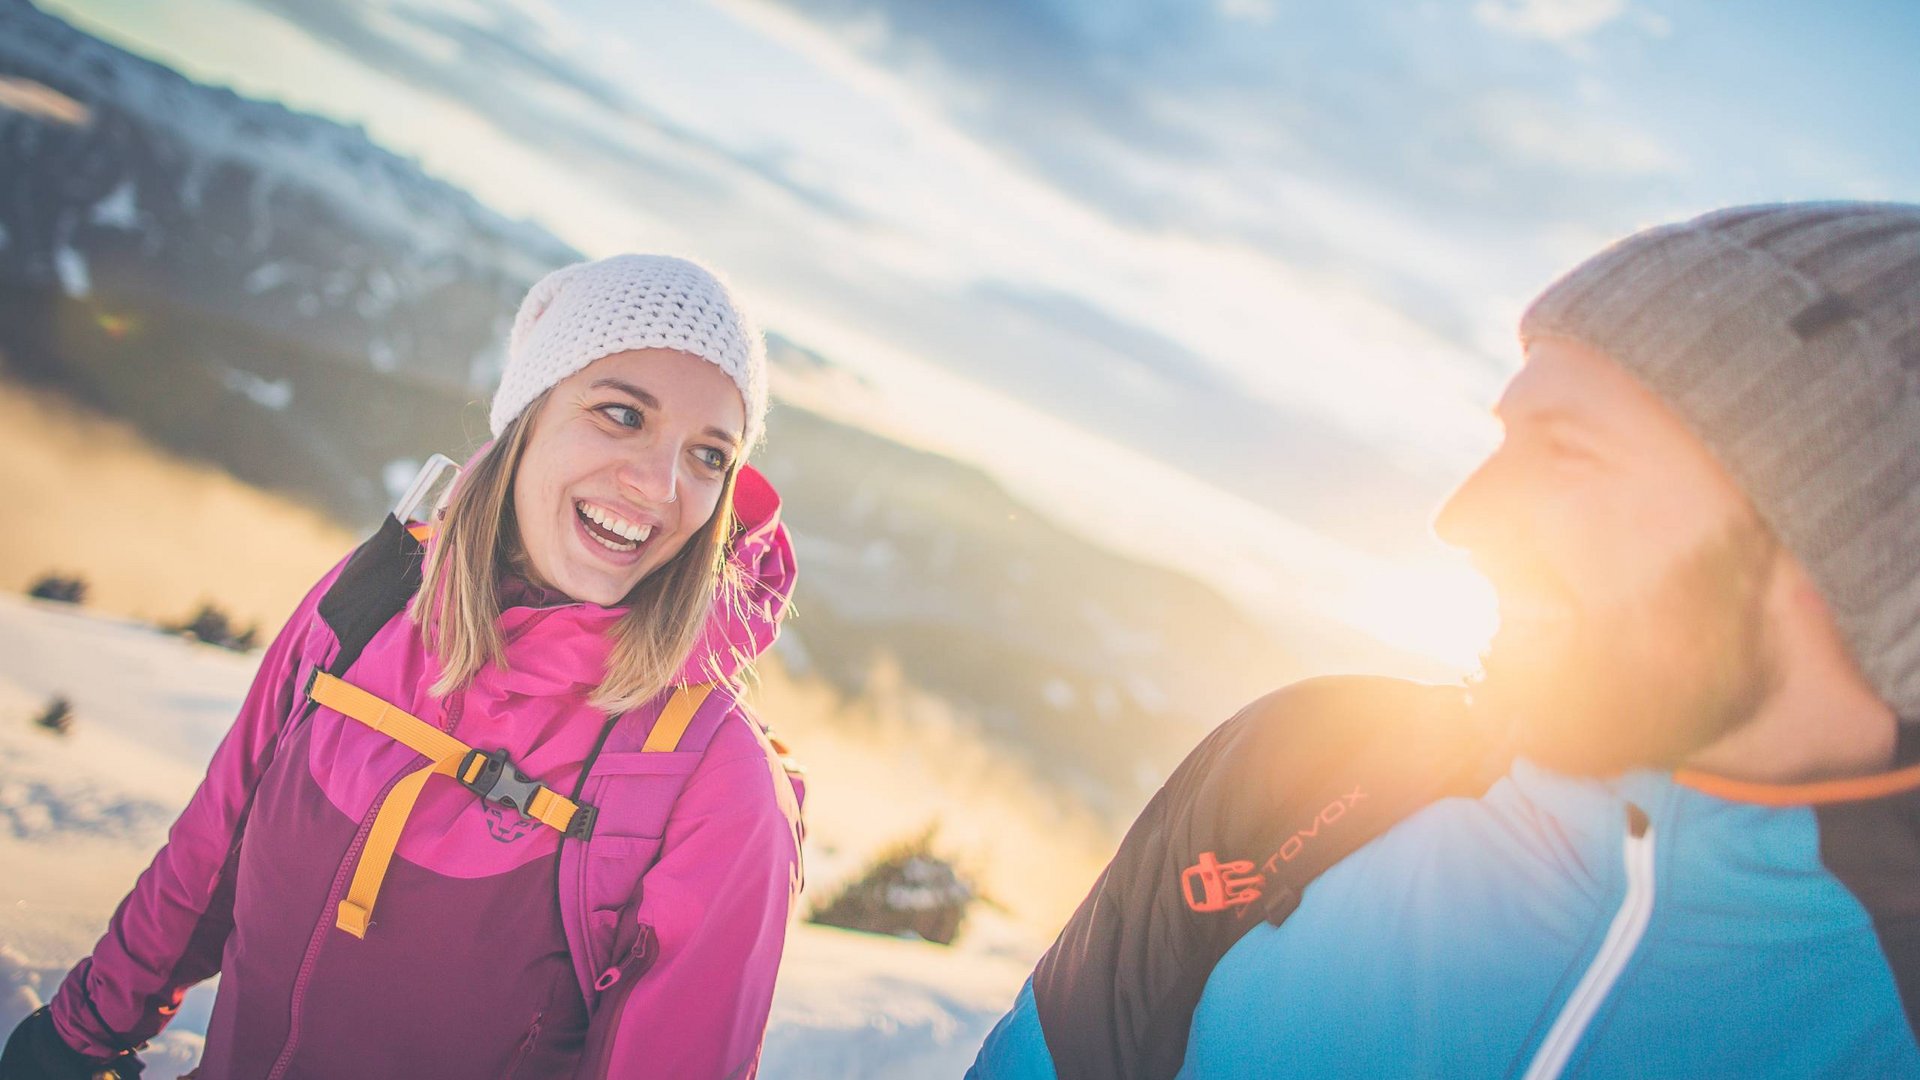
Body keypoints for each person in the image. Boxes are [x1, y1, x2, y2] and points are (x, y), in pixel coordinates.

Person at [970, 201, 1920, 1078]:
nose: (1463, 517)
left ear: (1847, 545)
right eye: (1504, 443)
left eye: (1568, 454)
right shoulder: (1304, 771)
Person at [1, 255, 805, 1079]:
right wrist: (79, 1032)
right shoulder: (377, 598)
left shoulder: (715, 779)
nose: (661, 485)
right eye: (622, 414)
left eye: (710, 456)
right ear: (527, 413)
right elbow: (214, 845)